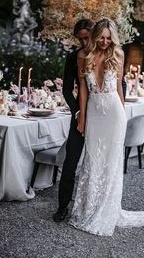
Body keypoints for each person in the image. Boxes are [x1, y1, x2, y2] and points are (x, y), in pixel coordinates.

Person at [68, 18, 144, 236]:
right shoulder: (82, 56)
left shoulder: (117, 54)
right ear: (95, 36)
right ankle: (87, 209)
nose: (105, 42)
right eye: (102, 38)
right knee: (92, 161)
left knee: (110, 164)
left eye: (109, 38)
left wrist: (123, 116)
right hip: (95, 113)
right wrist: (81, 118)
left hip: (114, 114)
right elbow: (83, 90)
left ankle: (105, 211)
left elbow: (118, 89)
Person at [53, 18, 94, 222]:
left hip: (102, 113)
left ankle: (93, 206)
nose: (84, 43)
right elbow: (67, 89)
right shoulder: (73, 56)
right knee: (70, 161)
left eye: (87, 38)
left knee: (97, 161)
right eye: (81, 39)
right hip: (80, 111)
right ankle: (62, 206)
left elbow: (121, 83)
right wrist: (78, 113)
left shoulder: (106, 54)